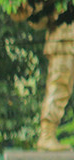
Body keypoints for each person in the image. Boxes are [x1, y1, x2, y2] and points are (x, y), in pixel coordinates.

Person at [13, 3, 74, 151]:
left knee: (61, 85)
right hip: (64, 39)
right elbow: (36, 16)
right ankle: (47, 135)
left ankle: (47, 135)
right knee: (60, 85)